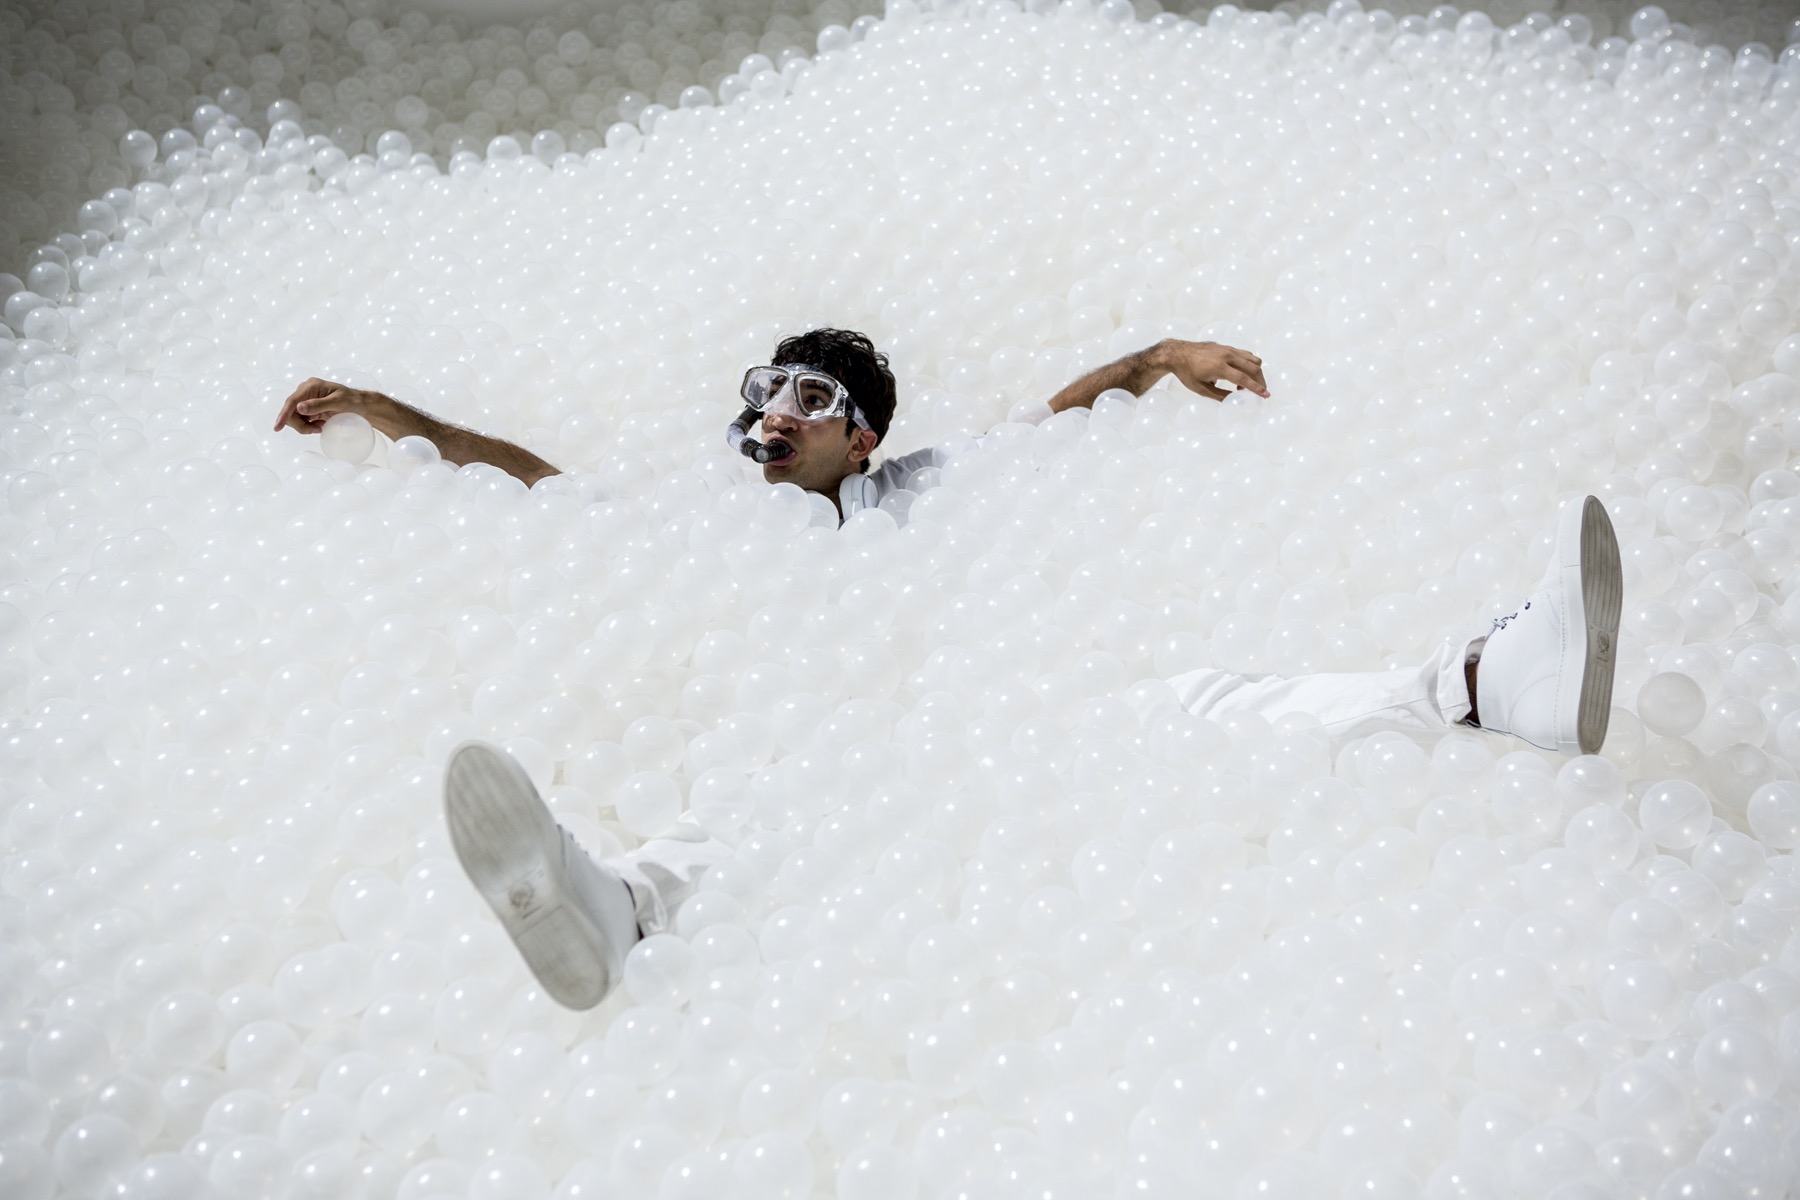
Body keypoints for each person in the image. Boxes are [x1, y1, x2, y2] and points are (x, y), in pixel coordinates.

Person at [275, 329, 1622, 1011]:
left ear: (861, 439)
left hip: (991, 736)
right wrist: (394, 416)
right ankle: (604, 915)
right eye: (762, 394)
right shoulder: (704, 529)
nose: (768, 414)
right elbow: (532, 482)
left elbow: (1057, 422)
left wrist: (1158, 356)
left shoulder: (932, 483)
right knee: (738, 814)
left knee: (1198, 702)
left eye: (802, 399)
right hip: (819, 765)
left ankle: (1492, 684)